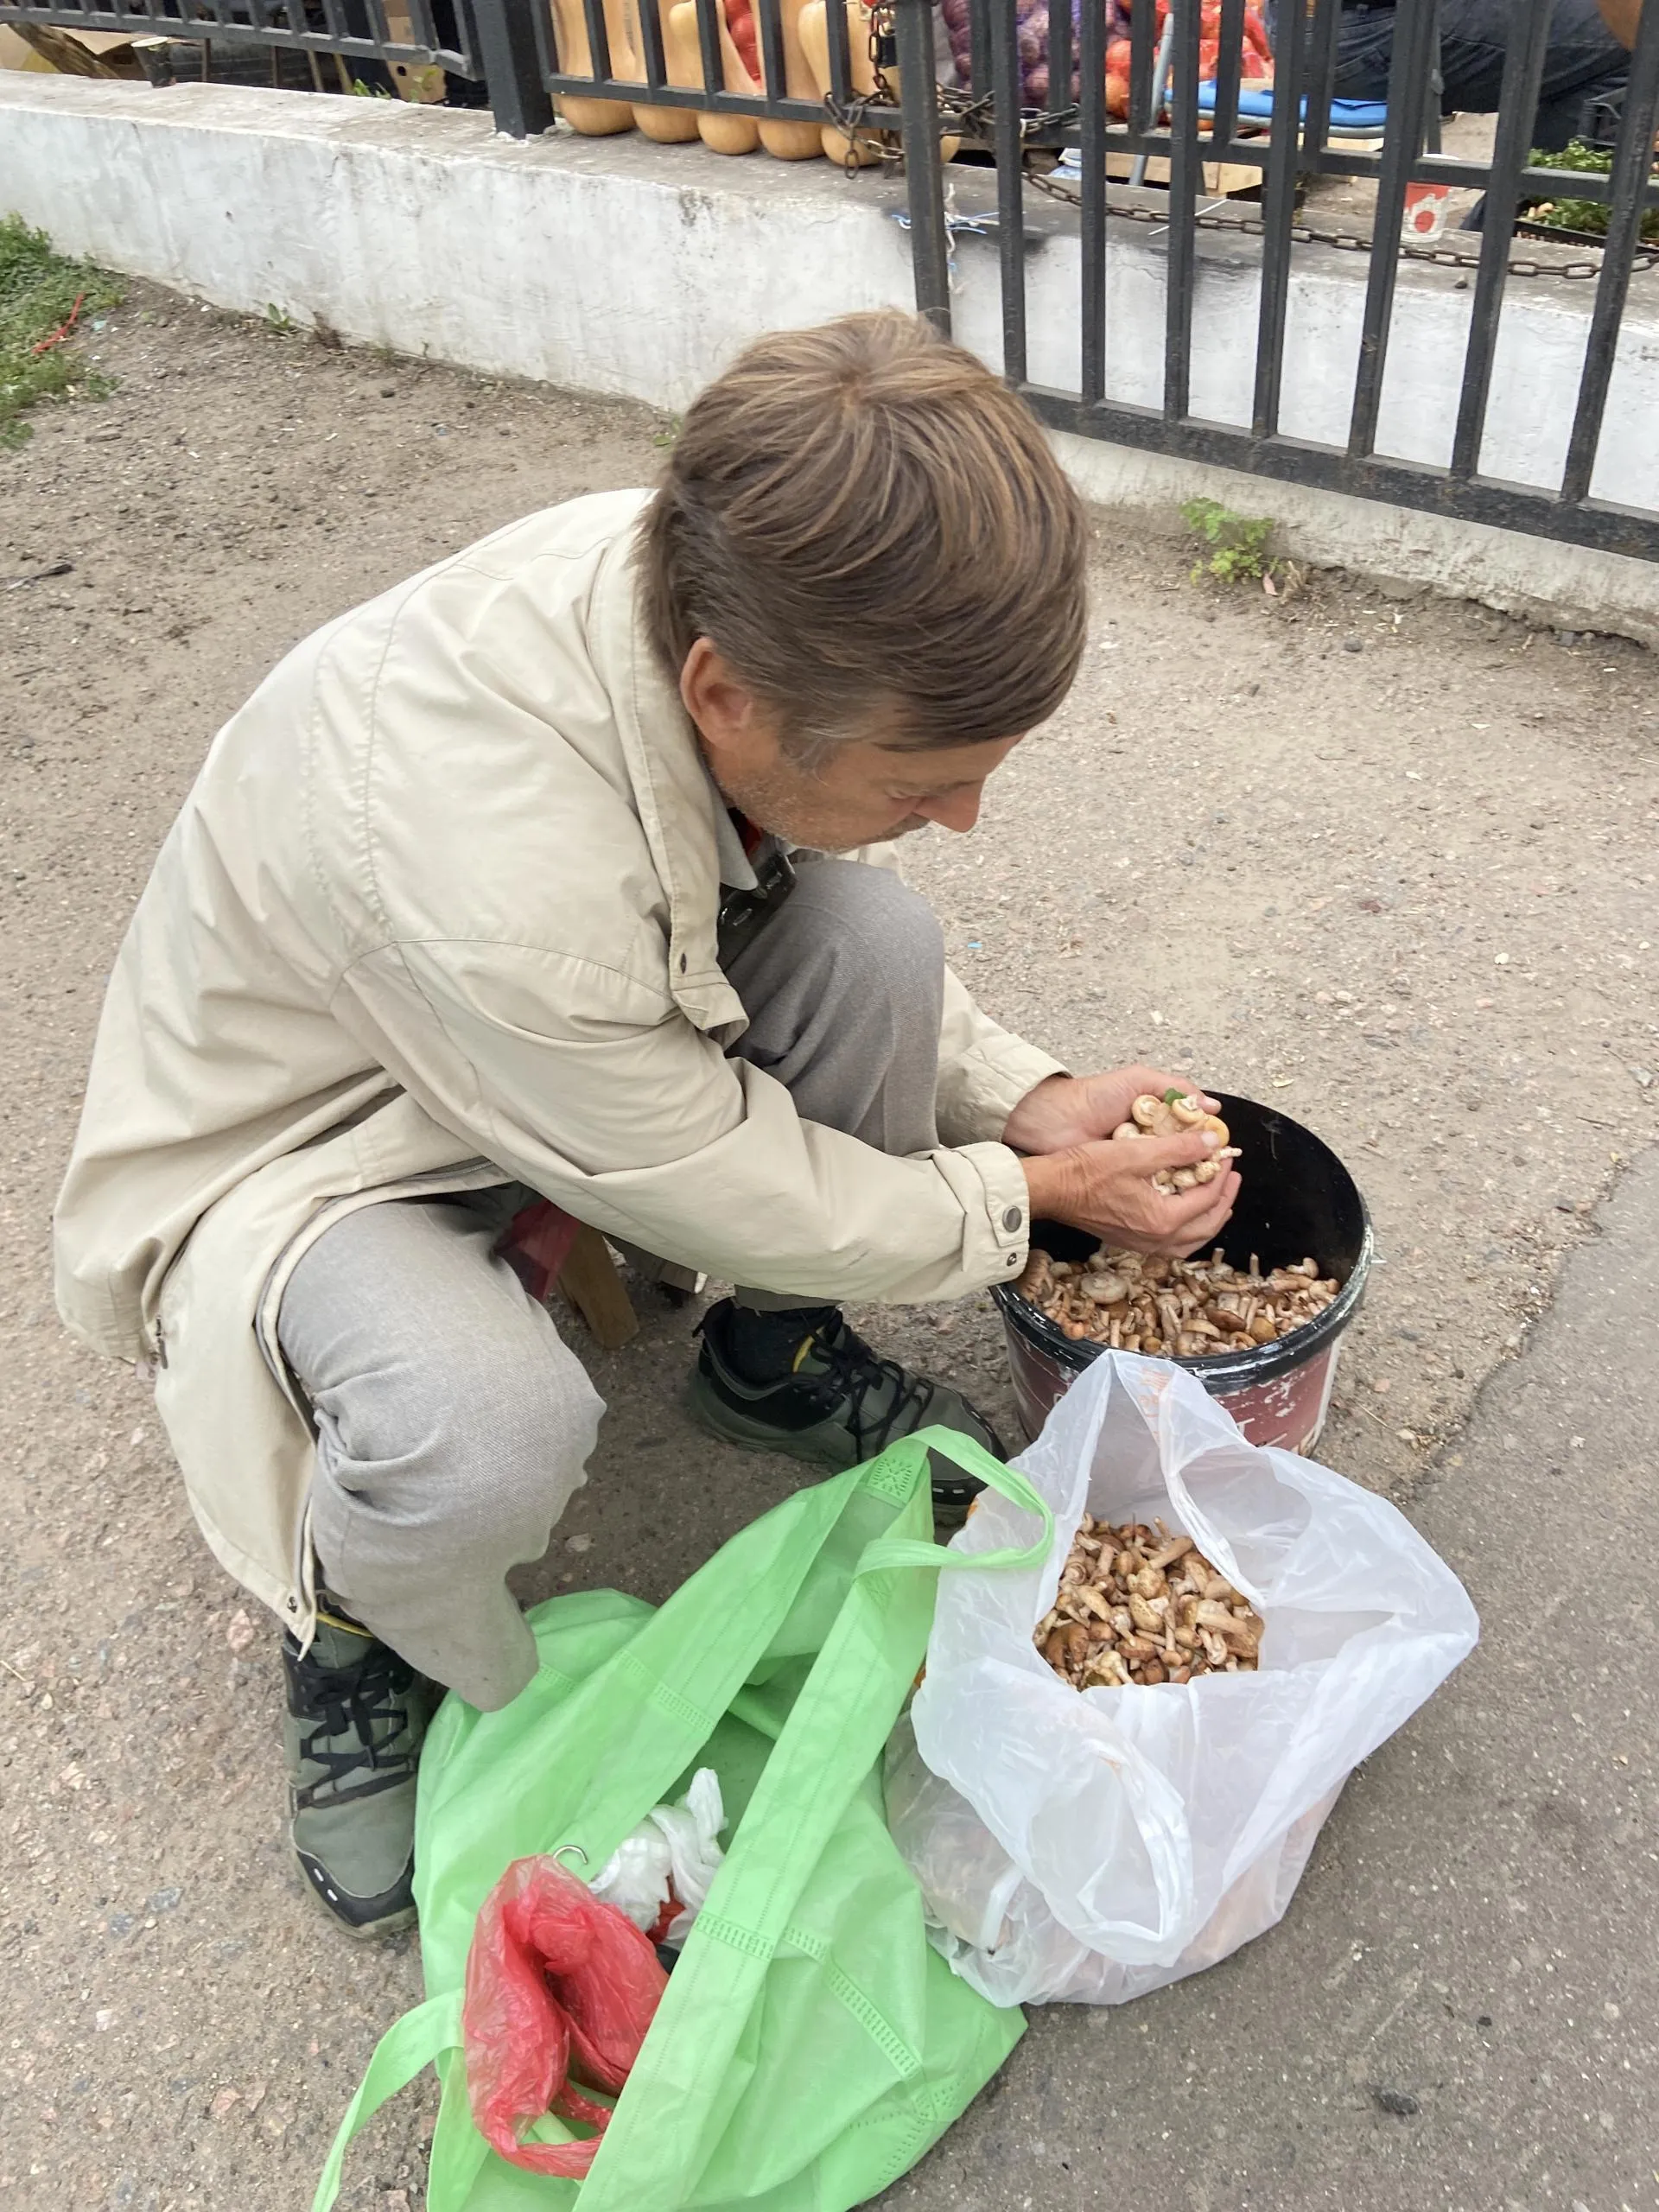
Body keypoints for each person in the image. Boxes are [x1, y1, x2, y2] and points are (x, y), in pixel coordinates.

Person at [54, 312, 1238, 1938]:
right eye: (926, 776)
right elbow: (713, 1178)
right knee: (481, 1429)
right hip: (318, 1141)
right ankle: (352, 1624)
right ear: (725, 693)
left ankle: (774, 1362)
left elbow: (743, 932)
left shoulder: (718, 566)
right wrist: (1027, 1198)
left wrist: (1021, 1097)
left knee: (878, 939)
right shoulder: (498, 879)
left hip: (552, 1033)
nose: (964, 815)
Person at [1333, 0, 1630, 150]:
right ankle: (1522, 222)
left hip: (1317, 29)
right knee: (1636, 37)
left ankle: (1521, 218)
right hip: (1359, 31)